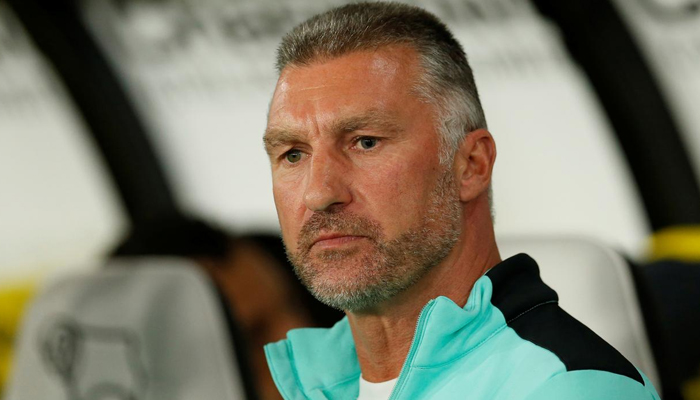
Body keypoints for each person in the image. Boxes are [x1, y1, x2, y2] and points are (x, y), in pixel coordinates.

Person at [262, 2, 660, 399]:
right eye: (293, 154)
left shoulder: (570, 389)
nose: (319, 193)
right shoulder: (306, 382)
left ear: (471, 165)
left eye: (366, 142)